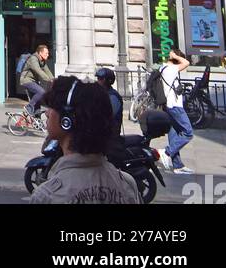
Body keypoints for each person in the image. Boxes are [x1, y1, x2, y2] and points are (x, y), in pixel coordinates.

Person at [28, 77, 140, 205]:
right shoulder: (127, 185)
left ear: (66, 121)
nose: (47, 113)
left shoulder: (47, 196)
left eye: (52, 107)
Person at [159, 47, 194, 175]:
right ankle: (166, 152)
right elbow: (186, 63)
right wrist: (175, 56)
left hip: (168, 106)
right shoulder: (171, 69)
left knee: (174, 134)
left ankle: (177, 165)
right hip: (175, 106)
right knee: (188, 132)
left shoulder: (162, 68)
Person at [20, 43, 54, 114]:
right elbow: (38, 70)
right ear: (40, 53)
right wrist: (49, 79)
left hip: (34, 81)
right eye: (46, 53)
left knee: (38, 102)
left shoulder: (42, 61)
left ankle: (37, 121)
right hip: (26, 80)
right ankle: (29, 106)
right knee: (41, 92)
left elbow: (47, 71)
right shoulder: (33, 59)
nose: (48, 55)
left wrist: (54, 80)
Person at [95, 66, 124, 132]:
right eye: (98, 78)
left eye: (101, 79)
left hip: (111, 136)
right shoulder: (99, 94)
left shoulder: (113, 97)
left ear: (108, 80)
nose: (98, 81)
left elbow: (106, 116)